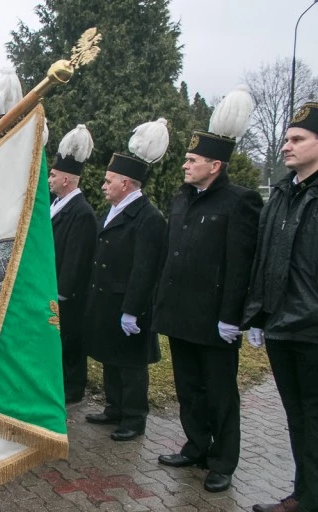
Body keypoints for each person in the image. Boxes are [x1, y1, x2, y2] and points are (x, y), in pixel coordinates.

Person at [153, 86, 262, 494]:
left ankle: (222, 461)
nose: (184, 164)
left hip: (215, 319)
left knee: (220, 393)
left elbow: (240, 265)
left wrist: (232, 316)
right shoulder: (182, 199)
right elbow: (171, 255)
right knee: (188, 388)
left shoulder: (240, 201)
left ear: (215, 165)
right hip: (180, 312)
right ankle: (196, 445)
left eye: (192, 160)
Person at [243, 101, 318, 512]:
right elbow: (264, 259)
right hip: (281, 325)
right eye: (286, 139)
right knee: (298, 418)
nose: (286, 146)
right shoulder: (282, 194)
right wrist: (257, 314)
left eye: (297, 139)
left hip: (313, 328)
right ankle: (304, 494)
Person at [84, 118, 168, 442]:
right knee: (110, 357)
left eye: (109, 180)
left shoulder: (149, 218)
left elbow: (145, 269)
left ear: (127, 183)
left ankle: (134, 418)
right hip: (107, 299)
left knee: (131, 365)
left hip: (128, 304)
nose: (103, 185)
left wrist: (133, 309)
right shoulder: (114, 209)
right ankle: (114, 407)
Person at [49, 125, 97, 405]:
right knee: (59, 341)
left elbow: (76, 257)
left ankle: (74, 386)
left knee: (70, 341)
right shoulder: (58, 203)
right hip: (53, 285)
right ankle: (62, 381)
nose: (50, 179)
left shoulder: (81, 212)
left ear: (67, 179)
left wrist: (62, 290)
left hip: (68, 294)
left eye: (54, 175)